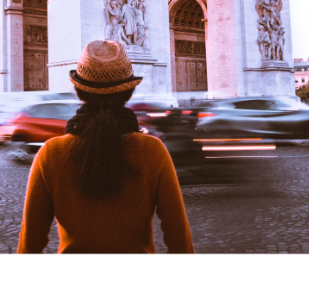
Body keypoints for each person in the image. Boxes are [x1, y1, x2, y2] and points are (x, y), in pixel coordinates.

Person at [18, 40, 194, 255]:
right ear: (128, 93)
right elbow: (178, 238)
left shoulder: (51, 154)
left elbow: (30, 242)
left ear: (78, 91)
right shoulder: (152, 151)